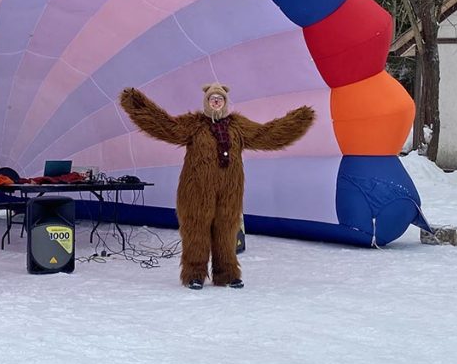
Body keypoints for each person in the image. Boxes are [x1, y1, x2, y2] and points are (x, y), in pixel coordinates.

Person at [119, 83, 315, 289]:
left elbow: (266, 135)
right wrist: (138, 104)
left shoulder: (238, 126)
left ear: (225, 102)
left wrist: (298, 120)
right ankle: (194, 274)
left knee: (227, 230)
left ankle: (227, 274)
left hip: (229, 191)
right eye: (212, 98)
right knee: (196, 231)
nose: (216, 101)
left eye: (219, 99)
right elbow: (165, 126)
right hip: (196, 190)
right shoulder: (194, 124)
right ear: (206, 102)